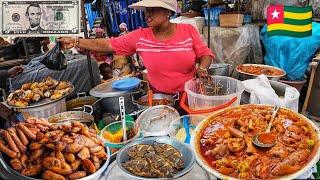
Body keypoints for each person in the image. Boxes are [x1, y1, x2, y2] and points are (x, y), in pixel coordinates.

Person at [59, 0, 214, 94]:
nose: (147, 14)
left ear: (167, 11)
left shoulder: (188, 31)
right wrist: (76, 42)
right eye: (146, 11)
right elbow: (108, 44)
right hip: (159, 99)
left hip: (190, 95)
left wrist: (202, 69)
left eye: (152, 10)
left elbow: (205, 54)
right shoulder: (141, 36)